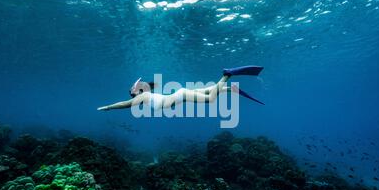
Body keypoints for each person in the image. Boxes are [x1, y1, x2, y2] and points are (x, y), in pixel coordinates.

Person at [97, 65, 264, 111]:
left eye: (131, 93)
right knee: (210, 90)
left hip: (180, 95)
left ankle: (228, 74)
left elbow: (124, 104)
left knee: (210, 99)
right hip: (180, 93)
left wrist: (108, 107)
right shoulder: (146, 96)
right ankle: (228, 89)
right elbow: (132, 96)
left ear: (137, 93)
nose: (131, 96)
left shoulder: (141, 97)